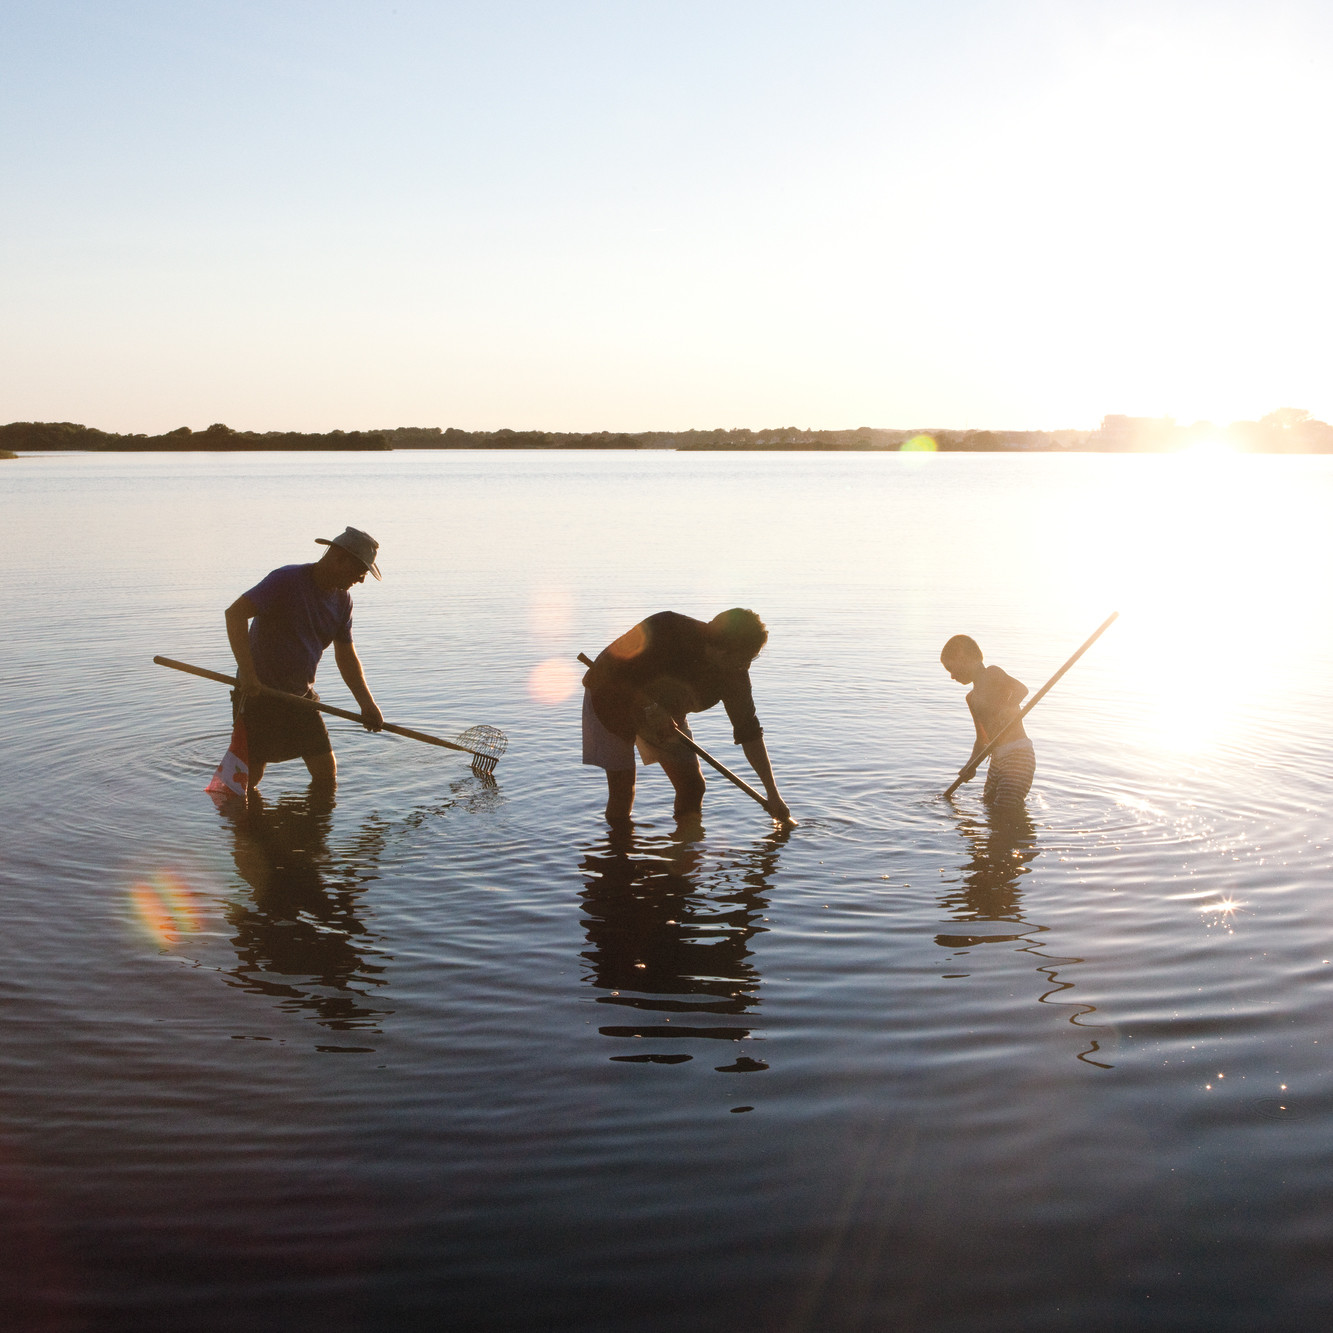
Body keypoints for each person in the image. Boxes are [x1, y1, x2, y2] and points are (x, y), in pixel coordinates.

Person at [581, 608, 791, 824]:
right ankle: (618, 852)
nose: (745, 667)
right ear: (721, 651)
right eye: (742, 660)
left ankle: (685, 852)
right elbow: (617, 673)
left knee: (692, 787)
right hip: (609, 697)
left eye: (750, 660)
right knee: (623, 791)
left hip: (666, 711)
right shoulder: (666, 628)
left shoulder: (734, 674)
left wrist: (773, 794)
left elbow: (749, 731)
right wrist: (650, 708)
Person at [224, 527, 385, 791]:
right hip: (258, 694)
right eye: (360, 572)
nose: (361, 580)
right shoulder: (285, 580)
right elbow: (235, 614)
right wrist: (248, 675)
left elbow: (346, 655)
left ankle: (313, 828)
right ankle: (244, 827)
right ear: (339, 558)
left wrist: (366, 704)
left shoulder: (343, 602)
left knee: (326, 773)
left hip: (301, 696)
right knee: (249, 779)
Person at [940, 634, 1035, 812]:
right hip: (997, 760)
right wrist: (970, 765)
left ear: (964, 658)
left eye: (951, 668)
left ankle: (1015, 835)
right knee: (989, 806)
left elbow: (1022, 690)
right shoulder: (971, 698)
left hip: (1018, 756)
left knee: (1004, 810)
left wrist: (1008, 707)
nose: (952, 676)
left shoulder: (992, 673)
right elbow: (982, 740)